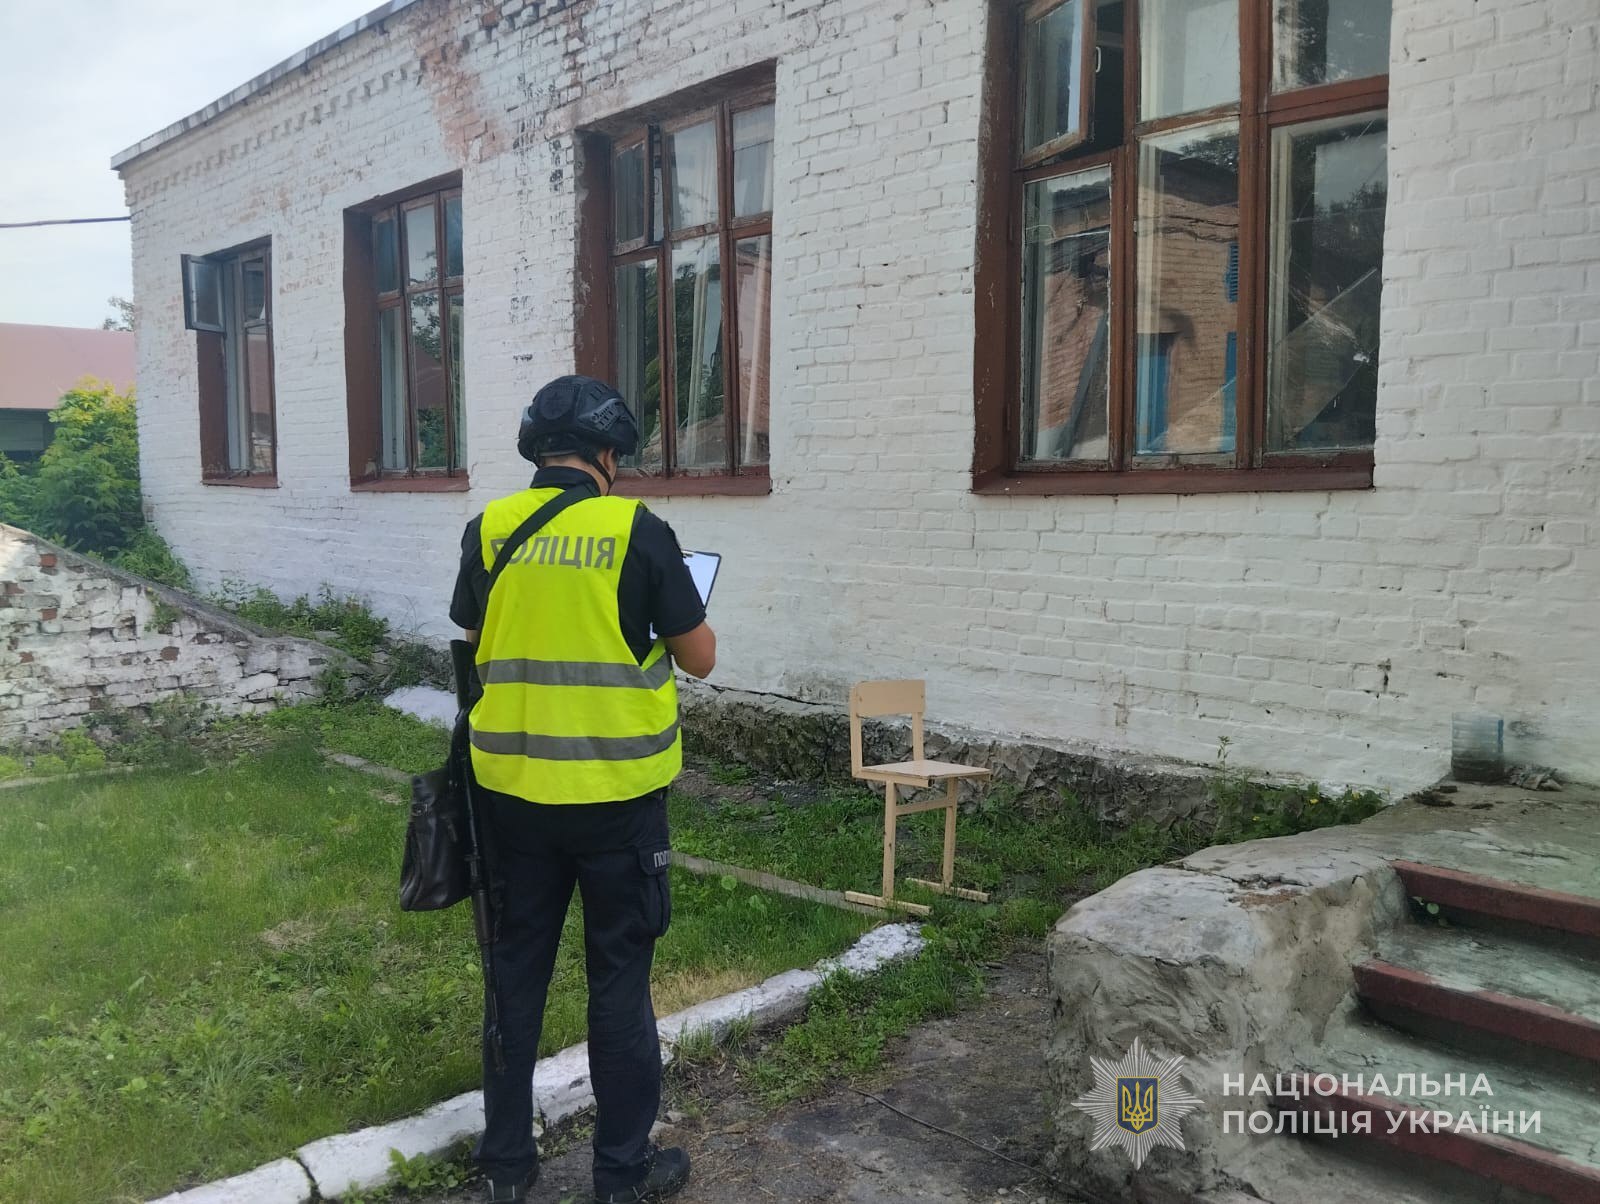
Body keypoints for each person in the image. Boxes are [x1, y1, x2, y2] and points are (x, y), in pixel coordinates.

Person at [450, 375, 716, 1204]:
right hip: (616, 800)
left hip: (512, 798)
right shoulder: (638, 530)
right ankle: (621, 1175)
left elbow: (476, 637)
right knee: (618, 982)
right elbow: (700, 657)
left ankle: (506, 1168)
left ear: (538, 451)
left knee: (514, 976)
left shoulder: (490, 528)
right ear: (607, 454)